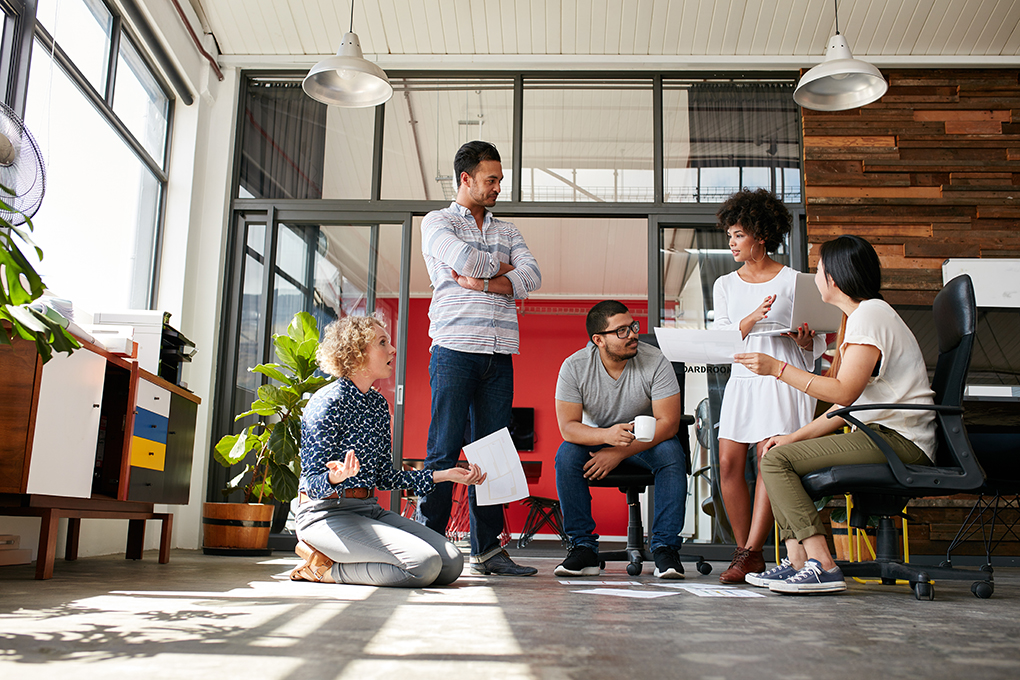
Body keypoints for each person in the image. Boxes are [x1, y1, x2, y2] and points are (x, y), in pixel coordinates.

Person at [734, 235, 935, 594]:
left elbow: (843, 392)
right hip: (883, 434)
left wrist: (777, 368)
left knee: (777, 462)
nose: (815, 277)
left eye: (819, 269)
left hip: (900, 440)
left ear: (835, 278)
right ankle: (798, 562)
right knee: (776, 453)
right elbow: (847, 406)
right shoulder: (861, 316)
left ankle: (822, 565)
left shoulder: (870, 315)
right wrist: (792, 437)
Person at [417, 140, 542, 576]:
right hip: (453, 350)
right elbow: (466, 258)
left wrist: (484, 281)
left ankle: (488, 551)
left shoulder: (507, 230)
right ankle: (427, 543)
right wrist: (503, 270)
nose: (498, 188)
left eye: (500, 180)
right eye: (491, 180)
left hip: (499, 353)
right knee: (444, 448)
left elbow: (533, 275)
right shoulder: (436, 222)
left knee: (492, 454)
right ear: (465, 178)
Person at [290, 315, 487, 587]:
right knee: (424, 565)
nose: (392, 350)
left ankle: (341, 561)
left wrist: (445, 475)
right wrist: (335, 478)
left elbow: (385, 477)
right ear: (356, 353)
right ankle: (324, 570)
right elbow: (311, 485)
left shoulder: (378, 405)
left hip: (368, 509)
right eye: (383, 343)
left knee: (451, 562)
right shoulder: (326, 403)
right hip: (325, 514)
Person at [712, 189, 827, 584]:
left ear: (760, 235)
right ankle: (747, 551)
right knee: (727, 463)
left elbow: (818, 344)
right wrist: (749, 319)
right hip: (743, 380)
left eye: (739, 235)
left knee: (767, 461)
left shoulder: (797, 281)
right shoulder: (725, 284)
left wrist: (806, 340)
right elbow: (721, 341)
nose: (732, 243)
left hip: (783, 378)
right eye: (729, 236)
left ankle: (749, 553)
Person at [553, 300, 688, 579]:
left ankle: (665, 548)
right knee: (566, 456)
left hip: (644, 442)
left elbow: (669, 423)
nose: (634, 334)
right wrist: (606, 438)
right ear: (599, 340)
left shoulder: (655, 361)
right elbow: (568, 428)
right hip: (597, 438)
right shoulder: (574, 367)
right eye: (623, 331)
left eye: (634, 327)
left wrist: (618, 453)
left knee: (672, 453)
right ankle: (583, 548)